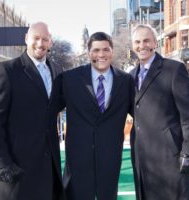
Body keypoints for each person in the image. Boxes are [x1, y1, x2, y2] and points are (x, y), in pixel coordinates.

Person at [0, 22, 63, 200]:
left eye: (45, 39)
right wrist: (0, 163)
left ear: (50, 42)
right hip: (17, 169)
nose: (40, 44)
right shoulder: (7, 70)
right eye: (36, 38)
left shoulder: (57, 70)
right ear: (26, 39)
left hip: (49, 171)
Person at [51, 32, 134, 200]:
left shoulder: (126, 81)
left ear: (112, 51)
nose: (101, 55)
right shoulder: (69, 79)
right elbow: (48, 111)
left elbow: (142, 113)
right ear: (88, 52)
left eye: (106, 49)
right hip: (77, 160)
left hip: (110, 158)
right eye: (96, 50)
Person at [129, 24, 189, 200]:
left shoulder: (174, 69)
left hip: (171, 155)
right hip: (142, 158)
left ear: (155, 42)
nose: (142, 45)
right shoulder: (130, 76)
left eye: (146, 40)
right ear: (133, 46)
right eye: (137, 41)